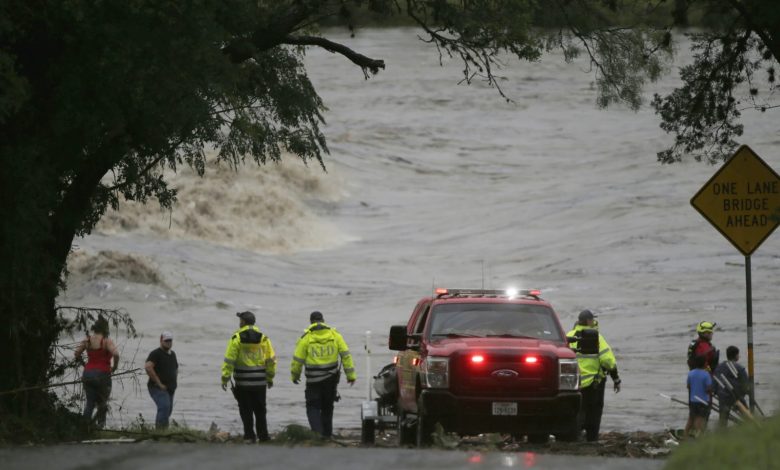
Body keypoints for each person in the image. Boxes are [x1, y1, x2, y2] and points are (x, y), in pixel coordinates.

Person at [291, 311, 356, 438]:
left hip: (313, 381)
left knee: (313, 406)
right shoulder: (335, 336)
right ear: (323, 320)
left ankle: (317, 433)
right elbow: (345, 355)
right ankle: (327, 435)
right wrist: (351, 375)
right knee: (327, 407)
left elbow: (297, 360)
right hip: (330, 379)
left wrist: (295, 376)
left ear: (311, 322)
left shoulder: (306, 338)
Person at [221, 311, 276, 443]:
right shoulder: (264, 338)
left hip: (243, 382)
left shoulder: (236, 338)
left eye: (240, 320)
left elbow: (229, 360)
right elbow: (271, 360)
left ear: (244, 322)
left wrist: (225, 378)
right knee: (260, 410)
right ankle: (263, 436)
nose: (239, 322)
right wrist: (270, 378)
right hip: (260, 382)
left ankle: (249, 436)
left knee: (246, 410)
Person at [566, 309, 621, 442]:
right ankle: (592, 439)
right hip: (594, 384)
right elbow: (608, 361)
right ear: (589, 321)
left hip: (572, 384)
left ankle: (572, 437)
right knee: (594, 413)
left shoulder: (569, 336)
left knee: (575, 412)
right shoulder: (597, 337)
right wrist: (616, 378)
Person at [74, 315, 119, 428]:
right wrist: (114, 367)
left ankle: (84, 427)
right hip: (103, 375)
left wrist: (84, 364)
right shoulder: (106, 341)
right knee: (102, 403)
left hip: (88, 374)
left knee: (89, 403)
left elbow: (76, 353)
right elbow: (116, 354)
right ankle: (100, 426)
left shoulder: (87, 340)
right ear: (105, 329)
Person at [145, 331, 179, 429]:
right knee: (164, 407)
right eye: (166, 340)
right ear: (161, 340)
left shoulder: (172, 354)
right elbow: (148, 367)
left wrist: (175, 383)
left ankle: (164, 431)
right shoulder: (155, 353)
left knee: (168, 410)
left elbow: (176, 368)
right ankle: (160, 432)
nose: (168, 342)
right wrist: (159, 383)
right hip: (157, 387)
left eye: (170, 340)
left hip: (170, 388)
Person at [712, 345, 748, 428]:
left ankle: (722, 435)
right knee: (746, 414)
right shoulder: (739, 367)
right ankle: (750, 429)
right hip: (736, 396)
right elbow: (745, 384)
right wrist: (744, 393)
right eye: (738, 354)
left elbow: (715, 381)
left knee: (723, 418)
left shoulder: (719, 367)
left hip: (723, 396)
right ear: (736, 355)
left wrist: (715, 392)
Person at [685, 354, 713, 437]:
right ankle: (699, 438)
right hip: (703, 401)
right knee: (699, 419)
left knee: (691, 419)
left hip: (693, 400)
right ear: (704, 364)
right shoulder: (706, 374)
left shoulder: (691, 373)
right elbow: (708, 389)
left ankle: (685, 436)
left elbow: (688, 386)